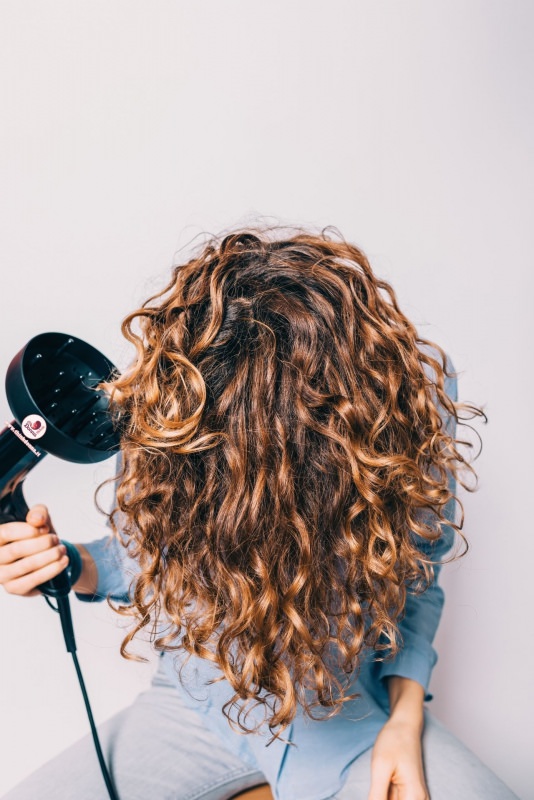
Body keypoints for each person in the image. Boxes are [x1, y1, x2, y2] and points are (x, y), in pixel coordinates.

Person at [0, 227, 518, 800]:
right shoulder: (174, 404)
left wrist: (405, 716)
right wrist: (68, 564)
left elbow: (420, 571)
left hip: (340, 715)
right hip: (193, 704)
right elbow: (140, 558)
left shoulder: (403, 412)